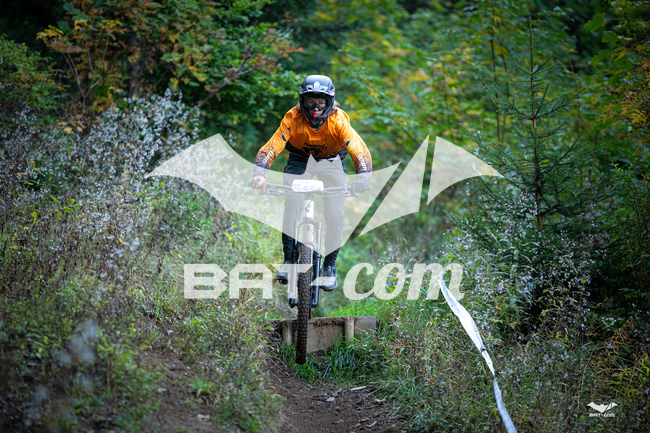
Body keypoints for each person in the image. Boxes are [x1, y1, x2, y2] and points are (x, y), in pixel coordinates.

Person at [251, 75, 372, 291]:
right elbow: (272, 147)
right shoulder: (292, 118)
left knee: (335, 214)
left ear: (330, 102)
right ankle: (288, 261)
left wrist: (362, 178)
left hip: (332, 161)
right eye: (310, 101)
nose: (316, 108)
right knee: (293, 202)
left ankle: (329, 267)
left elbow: (358, 150)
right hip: (300, 160)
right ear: (302, 101)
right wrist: (260, 174)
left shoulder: (338, 121)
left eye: (321, 102)